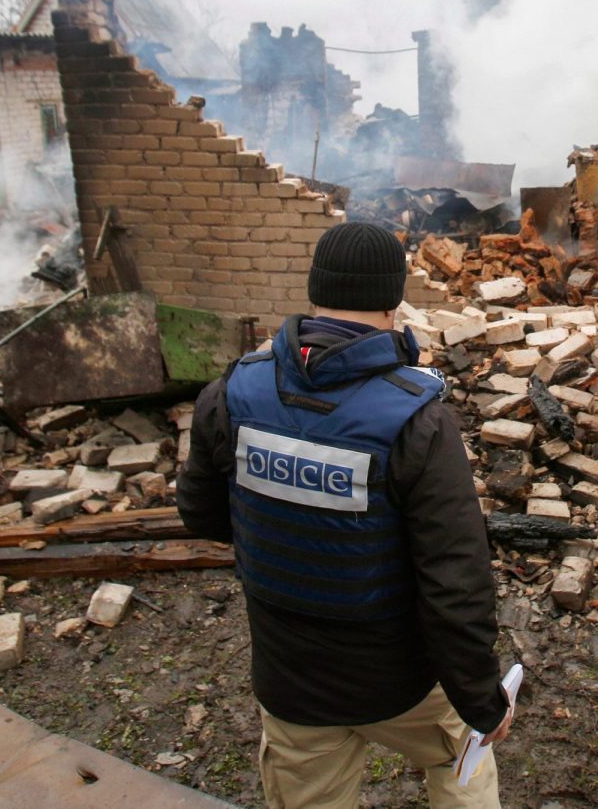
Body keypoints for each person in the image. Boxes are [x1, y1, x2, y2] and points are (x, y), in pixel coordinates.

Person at [177, 221, 512, 809]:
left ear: (315, 291)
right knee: (462, 767)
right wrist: (483, 702)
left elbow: (201, 517)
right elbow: (455, 585)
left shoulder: (231, 392)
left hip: (291, 682)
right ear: (392, 300)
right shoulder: (419, 422)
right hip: (400, 683)